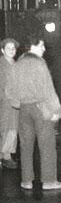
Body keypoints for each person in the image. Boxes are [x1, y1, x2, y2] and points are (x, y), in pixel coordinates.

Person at [6, 34, 61, 190]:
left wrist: (17, 103)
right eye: (41, 46)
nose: (44, 49)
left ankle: (26, 181)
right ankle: (49, 181)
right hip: (41, 108)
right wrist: (56, 110)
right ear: (32, 46)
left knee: (26, 146)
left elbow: (9, 90)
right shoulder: (39, 63)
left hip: (24, 109)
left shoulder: (17, 64)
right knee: (47, 145)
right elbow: (48, 89)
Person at [0, 38, 20, 169]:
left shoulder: (15, 63)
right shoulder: (2, 65)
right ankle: (6, 156)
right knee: (7, 128)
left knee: (12, 128)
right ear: (2, 50)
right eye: (8, 48)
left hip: (15, 102)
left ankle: (5, 155)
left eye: (13, 48)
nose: (12, 51)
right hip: (6, 102)